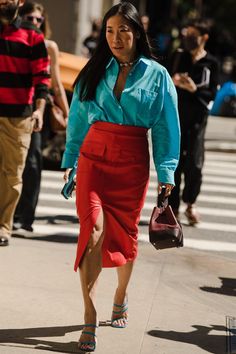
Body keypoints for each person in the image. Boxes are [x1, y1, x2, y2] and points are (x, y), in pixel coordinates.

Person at [61, 2, 180, 352]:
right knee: (92, 229)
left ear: (137, 32)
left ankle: (121, 294)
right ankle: (89, 314)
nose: (115, 37)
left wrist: (167, 170)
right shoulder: (94, 69)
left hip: (131, 161)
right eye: (109, 30)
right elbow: (78, 117)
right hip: (94, 156)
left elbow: (166, 127)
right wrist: (70, 158)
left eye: (122, 30)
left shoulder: (157, 75)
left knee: (124, 235)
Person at [13, 1, 69, 233]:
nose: (35, 23)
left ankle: (26, 216)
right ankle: (12, 212)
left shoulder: (49, 46)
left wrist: (68, 115)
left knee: (33, 161)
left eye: (39, 19)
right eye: (30, 18)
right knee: (14, 163)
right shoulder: (15, 39)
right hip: (16, 107)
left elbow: (56, 83)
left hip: (39, 110)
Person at [0, 0, 49, 247]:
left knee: (12, 175)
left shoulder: (33, 34)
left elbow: (43, 78)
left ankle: (3, 227)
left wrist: (39, 111)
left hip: (19, 116)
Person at [168, 19, 219, 225]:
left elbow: (211, 93)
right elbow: (166, 79)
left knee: (195, 164)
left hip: (197, 120)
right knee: (173, 163)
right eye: (187, 33)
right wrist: (173, 82)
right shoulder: (178, 56)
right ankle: (171, 209)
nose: (188, 38)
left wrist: (193, 89)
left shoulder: (211, 63)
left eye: (193, 34)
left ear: (204, 37)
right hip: (175, 117)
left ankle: (190, 203)